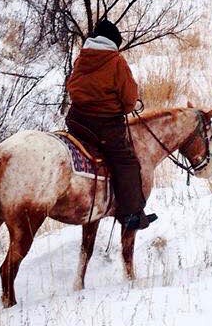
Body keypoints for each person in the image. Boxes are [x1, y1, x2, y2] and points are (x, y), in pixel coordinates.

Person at [66, 20, 155, 231]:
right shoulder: (116, 61)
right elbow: (129, 99)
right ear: (114, 41)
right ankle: (132, 214)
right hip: (103, 126)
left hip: (77, 121)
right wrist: (122, 107)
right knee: (127, 161)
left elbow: (72, 86)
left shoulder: (82, 57)